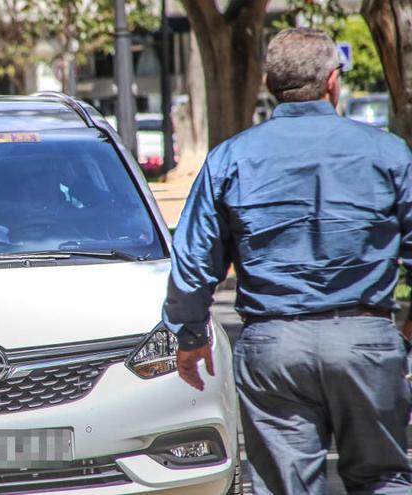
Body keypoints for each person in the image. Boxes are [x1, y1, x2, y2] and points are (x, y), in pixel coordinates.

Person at [163, 27, 412, 494]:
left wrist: (191, 333)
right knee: (383, 479)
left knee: (284, 486)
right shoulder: (388, 154)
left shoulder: (230, 159)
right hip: (365, 341)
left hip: (274, 347)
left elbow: (195, 260)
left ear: (267, 83)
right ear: (332, 82)